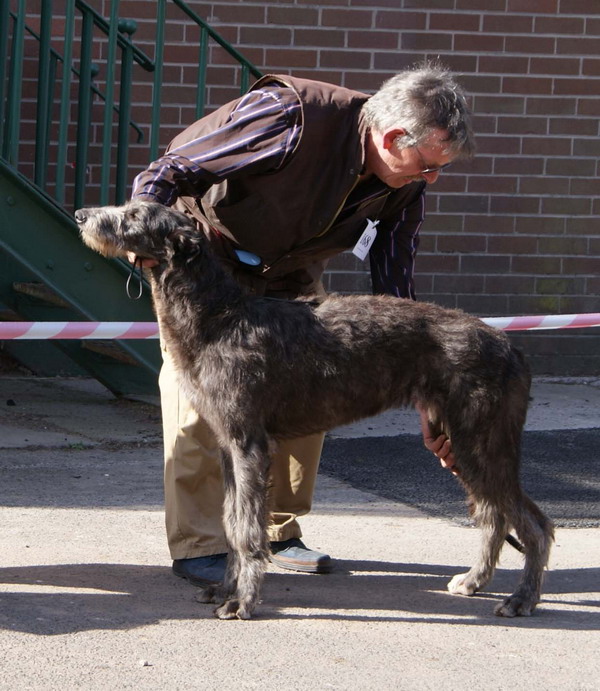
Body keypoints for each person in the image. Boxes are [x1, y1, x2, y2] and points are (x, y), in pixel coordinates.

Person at [130, 61, 475, 586]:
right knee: (199, 406)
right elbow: (169, 171)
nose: (432, 178)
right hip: (209, 264)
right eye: (427, 165)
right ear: (391, 136)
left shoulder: (405, 183)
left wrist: (420, 369)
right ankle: (201, 544)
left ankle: (277, 531)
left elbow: (395, 278)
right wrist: (146, 239)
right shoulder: (291, 116)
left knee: (313, 388)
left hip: (290, 272)